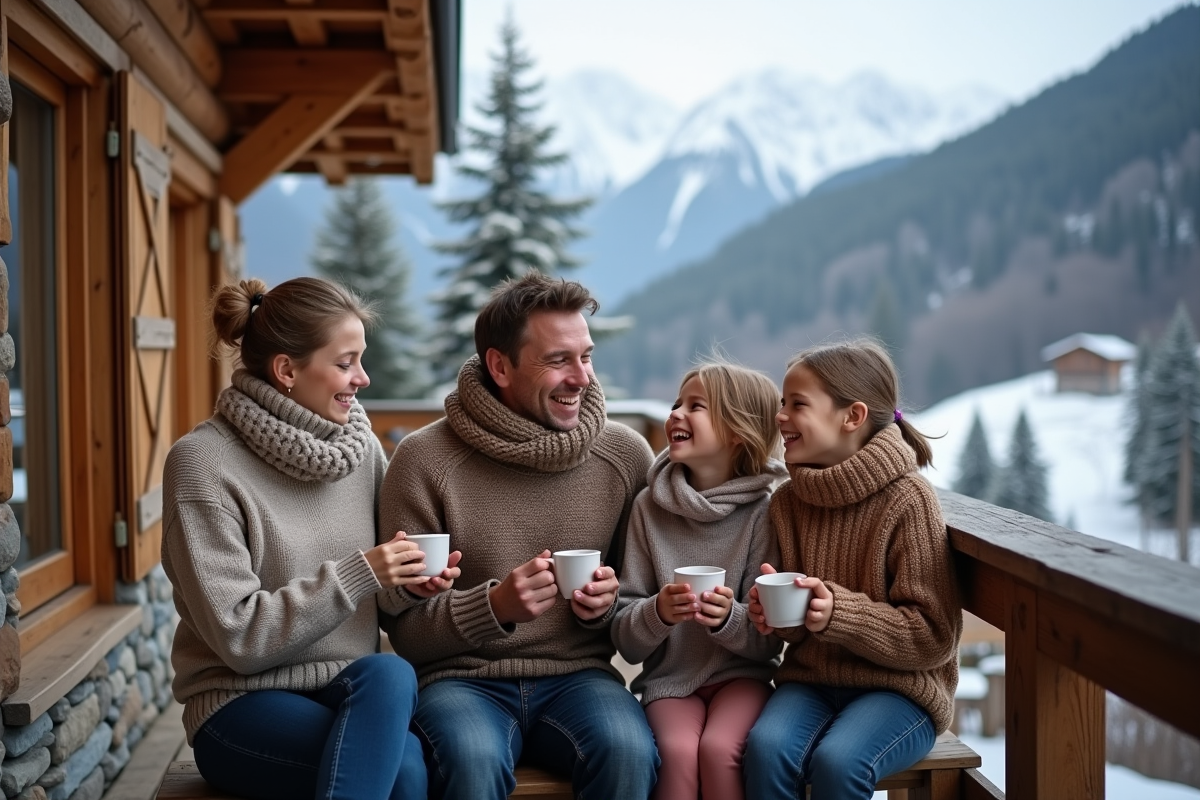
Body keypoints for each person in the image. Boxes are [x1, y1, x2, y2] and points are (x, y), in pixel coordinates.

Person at [378, 272, 659, 800]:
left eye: (587, 356)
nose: (582, 378)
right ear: (500, 366)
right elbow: (405, 632)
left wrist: (607, 602)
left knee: (629, 752)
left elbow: (641, 603)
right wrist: (495, 607)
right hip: (458, 683)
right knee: (472, 761)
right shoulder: (424, 461)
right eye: (558, 360)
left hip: (582, 677)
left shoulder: (624, 458)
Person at [162, 277, 444, 800]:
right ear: (287, 370)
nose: (363, 377)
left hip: (347, 688)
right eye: (345, 362)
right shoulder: (202, 464)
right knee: (404, 775)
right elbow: (241, 641)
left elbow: (380, 594)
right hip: (239, 702)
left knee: (389, 673)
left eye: (362, 359)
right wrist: (363, 572)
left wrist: (410, 583)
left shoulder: (361, 452)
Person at [742, 338, 962, 800]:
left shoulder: (909, 500)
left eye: (797, 404)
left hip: (902, 693)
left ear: (852, 416)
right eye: (783, 403)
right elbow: (796, 630)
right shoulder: (787, 502)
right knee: (764, 749)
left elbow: (934, 636)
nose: (780, 416)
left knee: (839, 764)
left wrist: (839, 614)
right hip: (811, 682)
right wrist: (774, 618)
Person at [611, 361, 786, 800]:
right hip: (669, 680)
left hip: (743, 678)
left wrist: (729, 618)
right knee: (675, 751)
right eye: (676, 403)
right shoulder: (648, 508)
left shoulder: (764, 513)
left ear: (737, 434)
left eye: (696, 407)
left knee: (720, 749)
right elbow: (626, 640)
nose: (676, 414)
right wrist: (657, 613)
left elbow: (769, 641)